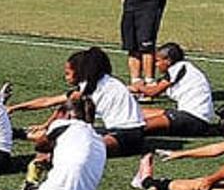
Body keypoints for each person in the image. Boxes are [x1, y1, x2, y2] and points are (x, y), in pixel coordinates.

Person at [11, 46, 145, 155]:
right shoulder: (104, 81)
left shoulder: (91, 89)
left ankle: (17, 133)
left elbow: (54, 104)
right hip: (132, 133)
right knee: (64, 135)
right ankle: (18, 133)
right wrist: (16, 108)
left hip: (124, 136)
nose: (66, 77)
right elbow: (51, 102)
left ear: (80, 71)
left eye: (68, 73)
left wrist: (46, 125)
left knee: (67, 144)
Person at [133, 42, 217, 137]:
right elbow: (151, 87)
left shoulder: (178, 68)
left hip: (193, 119)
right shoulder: (180, 69)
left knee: (138, 126)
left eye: (158, 61)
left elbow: (152, 92)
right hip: (184, 114)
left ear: (168, 61)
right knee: (137, 112)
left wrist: (138, 85)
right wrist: (129, 88)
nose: (156, 65)